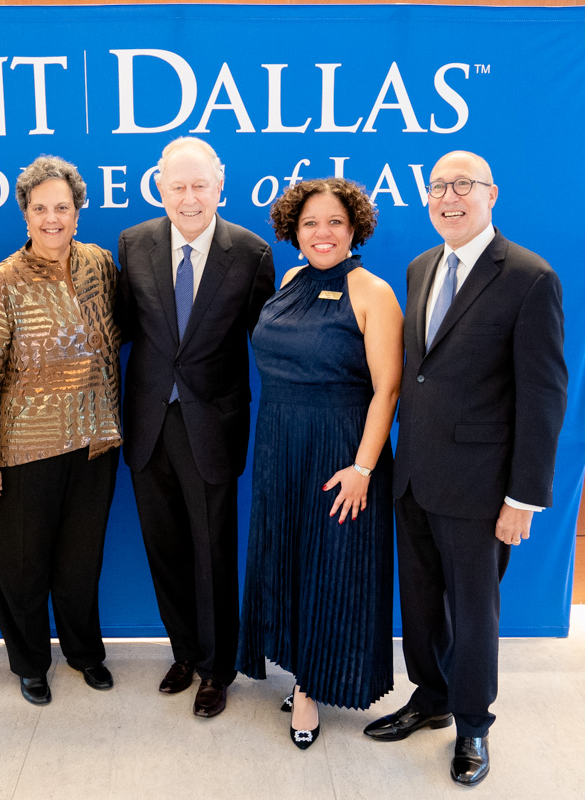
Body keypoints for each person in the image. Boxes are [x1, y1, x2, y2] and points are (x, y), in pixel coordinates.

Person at [365, 151, 567, 787]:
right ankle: (429, 698)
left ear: (491, 194)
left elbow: (543, 397)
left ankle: (473, 724)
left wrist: (523, 499)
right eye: (436, 187)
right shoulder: (422, 266)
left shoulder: (530, 278)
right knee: (421, 603)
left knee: (475, 612)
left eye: (462, 186)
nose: (448, 197)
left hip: (482, 486)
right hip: (416, 475)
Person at [238, 178, 403, 749]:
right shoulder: (289, 280)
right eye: (310, 223)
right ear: (293, 230)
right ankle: (302, 664)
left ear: (354, 227)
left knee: (331, 570)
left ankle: (311, 689)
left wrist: (362, 469)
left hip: (340, 452)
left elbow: (386, 391)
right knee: (287, 561)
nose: (322, 233)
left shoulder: (372, 291)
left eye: (334, 221)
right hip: (280, 445)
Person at [116, 137, 275, 718]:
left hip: (212, 427)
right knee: (165, 550)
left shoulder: (252, 253)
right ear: (160, 187)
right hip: (148, 423)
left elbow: (267, 341)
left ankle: (217, 668)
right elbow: (125, 329)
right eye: (177, 186)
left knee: (212, 554)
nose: (188, 197)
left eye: (199, 185)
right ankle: (184, 652)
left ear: (219, 185)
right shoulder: (134, 244)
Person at [0, 155, 121, 707]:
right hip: (22, 450)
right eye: (41, 208)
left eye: (63, 208)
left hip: (96, 442)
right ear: (25, 214)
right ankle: (29, 662)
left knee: (80, 562)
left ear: (78, 212)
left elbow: (118, 334)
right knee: (21, 568)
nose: (53, 218)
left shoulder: (99, 263)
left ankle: (84, 653)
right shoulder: (2, 281)